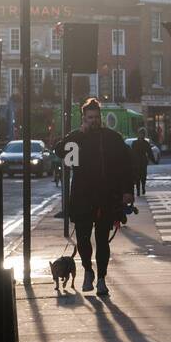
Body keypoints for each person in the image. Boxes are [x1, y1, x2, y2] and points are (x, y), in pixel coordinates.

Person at [54, 98, 133, 297]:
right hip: (82, 197)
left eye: (96, 117)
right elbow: (60, 150)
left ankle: (101, 279)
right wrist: (79, 133)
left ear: (101, 117)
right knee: (82, 240)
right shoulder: (76, 138)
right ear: (83, 118)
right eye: (90, 118)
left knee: (102, 241)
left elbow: (126, 166)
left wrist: (127, 191)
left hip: (106, 198)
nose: (94, 121)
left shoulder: (112, 138)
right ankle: (88, 270)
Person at [131, 128, 157, 197]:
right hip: (136, 162)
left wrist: (154, 161)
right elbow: (132, 153)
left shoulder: (146, 143)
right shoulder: (134, 143)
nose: (141, 135)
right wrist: (131, 161)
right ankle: (138, 190)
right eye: (140, 134)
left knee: (143, 176)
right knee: (137, 177)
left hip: (143, 161)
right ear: (138, 134)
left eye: (143, 134)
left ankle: (143, 187)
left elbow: (149, 152)